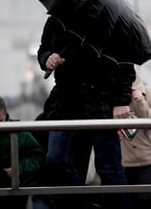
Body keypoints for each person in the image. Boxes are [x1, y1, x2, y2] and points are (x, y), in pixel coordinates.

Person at [37, 16, 135, 209]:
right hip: (66, 104)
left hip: (100, 105)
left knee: (109, 169)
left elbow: (126, 67)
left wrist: (121, 102)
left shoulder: (113, 24)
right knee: (56, 161)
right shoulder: (58, 20)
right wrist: (47, 58)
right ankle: (84, 205)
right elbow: (43, 49)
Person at [120, 65, 151, 209]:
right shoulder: (115, 100)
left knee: (144, 199)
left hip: (147, 160)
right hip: (124, 162)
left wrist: (139, 101)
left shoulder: (148, 94)